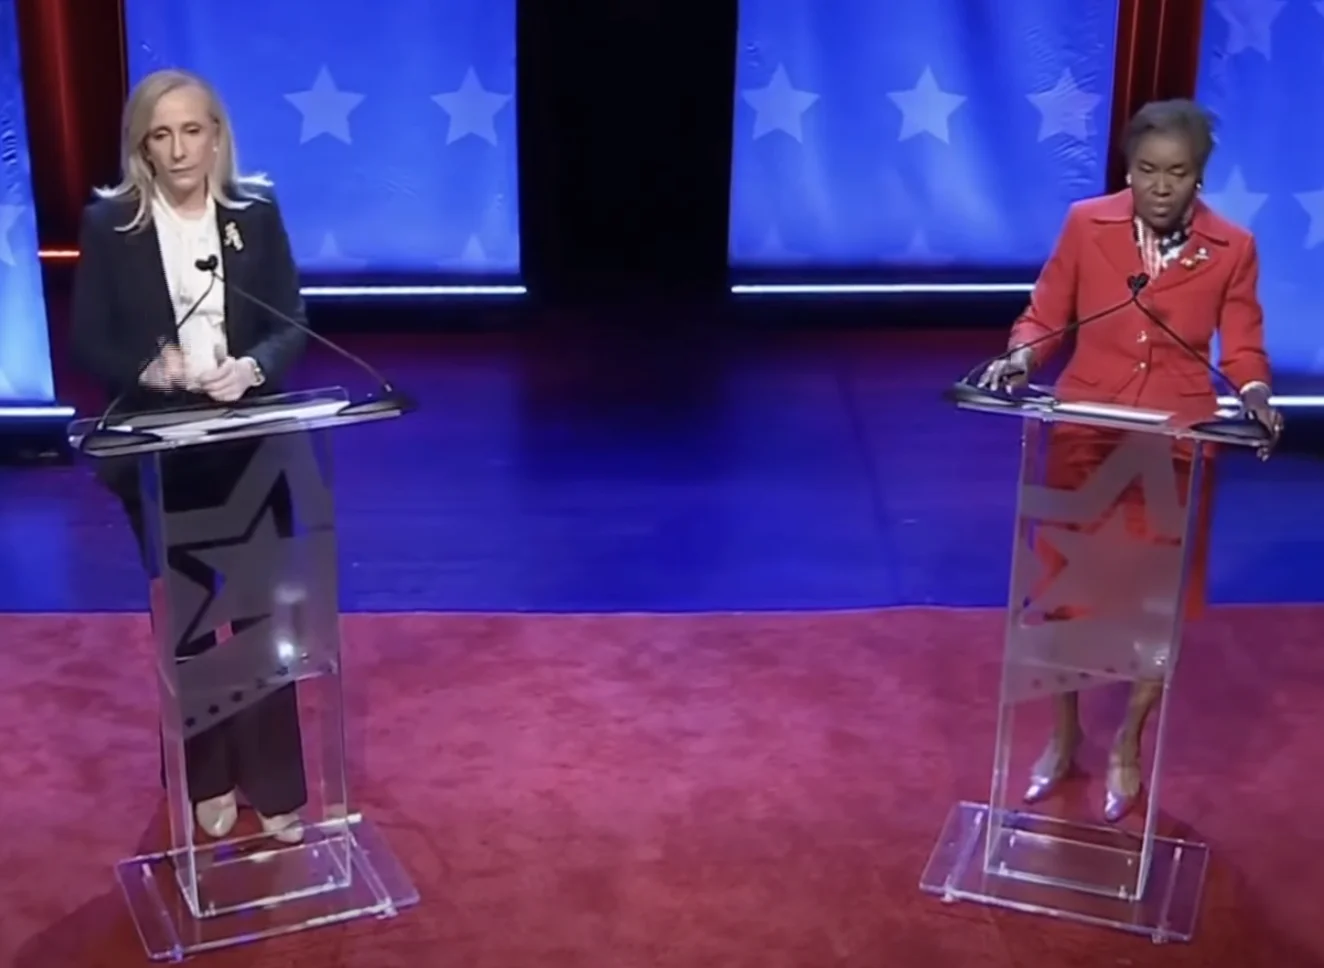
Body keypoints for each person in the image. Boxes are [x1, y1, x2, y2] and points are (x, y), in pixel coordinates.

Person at [979, 99, 1282, 823]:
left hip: (1175, 442)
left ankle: (1128, 745)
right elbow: (1047, 313)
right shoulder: (1087, 224)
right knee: (1066, 599)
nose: (1160, 186)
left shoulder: (1233, 247)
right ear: (1128, 169)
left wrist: (1256, 393)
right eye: (1147, 170)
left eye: (1177, 172)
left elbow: (1242, 345)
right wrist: (1021, 358)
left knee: (1152, 609)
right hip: (1086, 433)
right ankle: (1062, 736)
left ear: (1199, 176)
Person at [70, 68, 310, 843]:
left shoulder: (255, 212)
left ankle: (275, 785)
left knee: (261, 614)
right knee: (191, 621)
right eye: (162, 135)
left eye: (192, 131)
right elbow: (89, 340)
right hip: (162, 451)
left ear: (217, 137)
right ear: (142, 146)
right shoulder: (111, 224)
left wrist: (254, 368)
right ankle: (206, 778)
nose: (178, 150)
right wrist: (152, 370)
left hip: (249, 441)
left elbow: (289, 320)